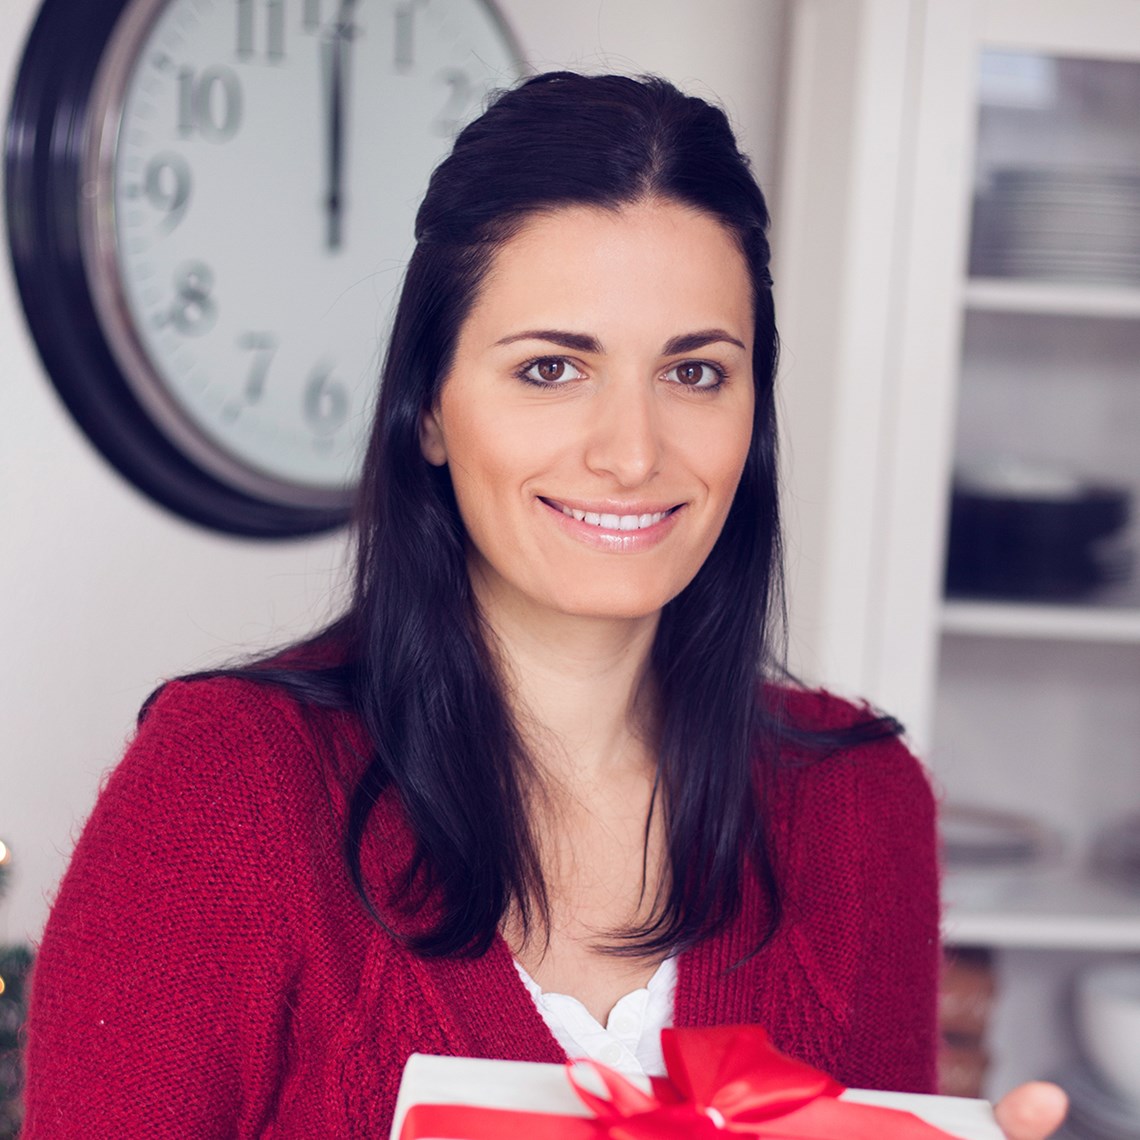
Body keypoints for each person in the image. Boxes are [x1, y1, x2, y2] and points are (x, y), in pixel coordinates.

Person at [22, 72, 1066, 1138]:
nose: (632, 453)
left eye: (696, 374)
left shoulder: (860, 805)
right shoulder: (222, 787)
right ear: (429, 409)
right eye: (553, 368)